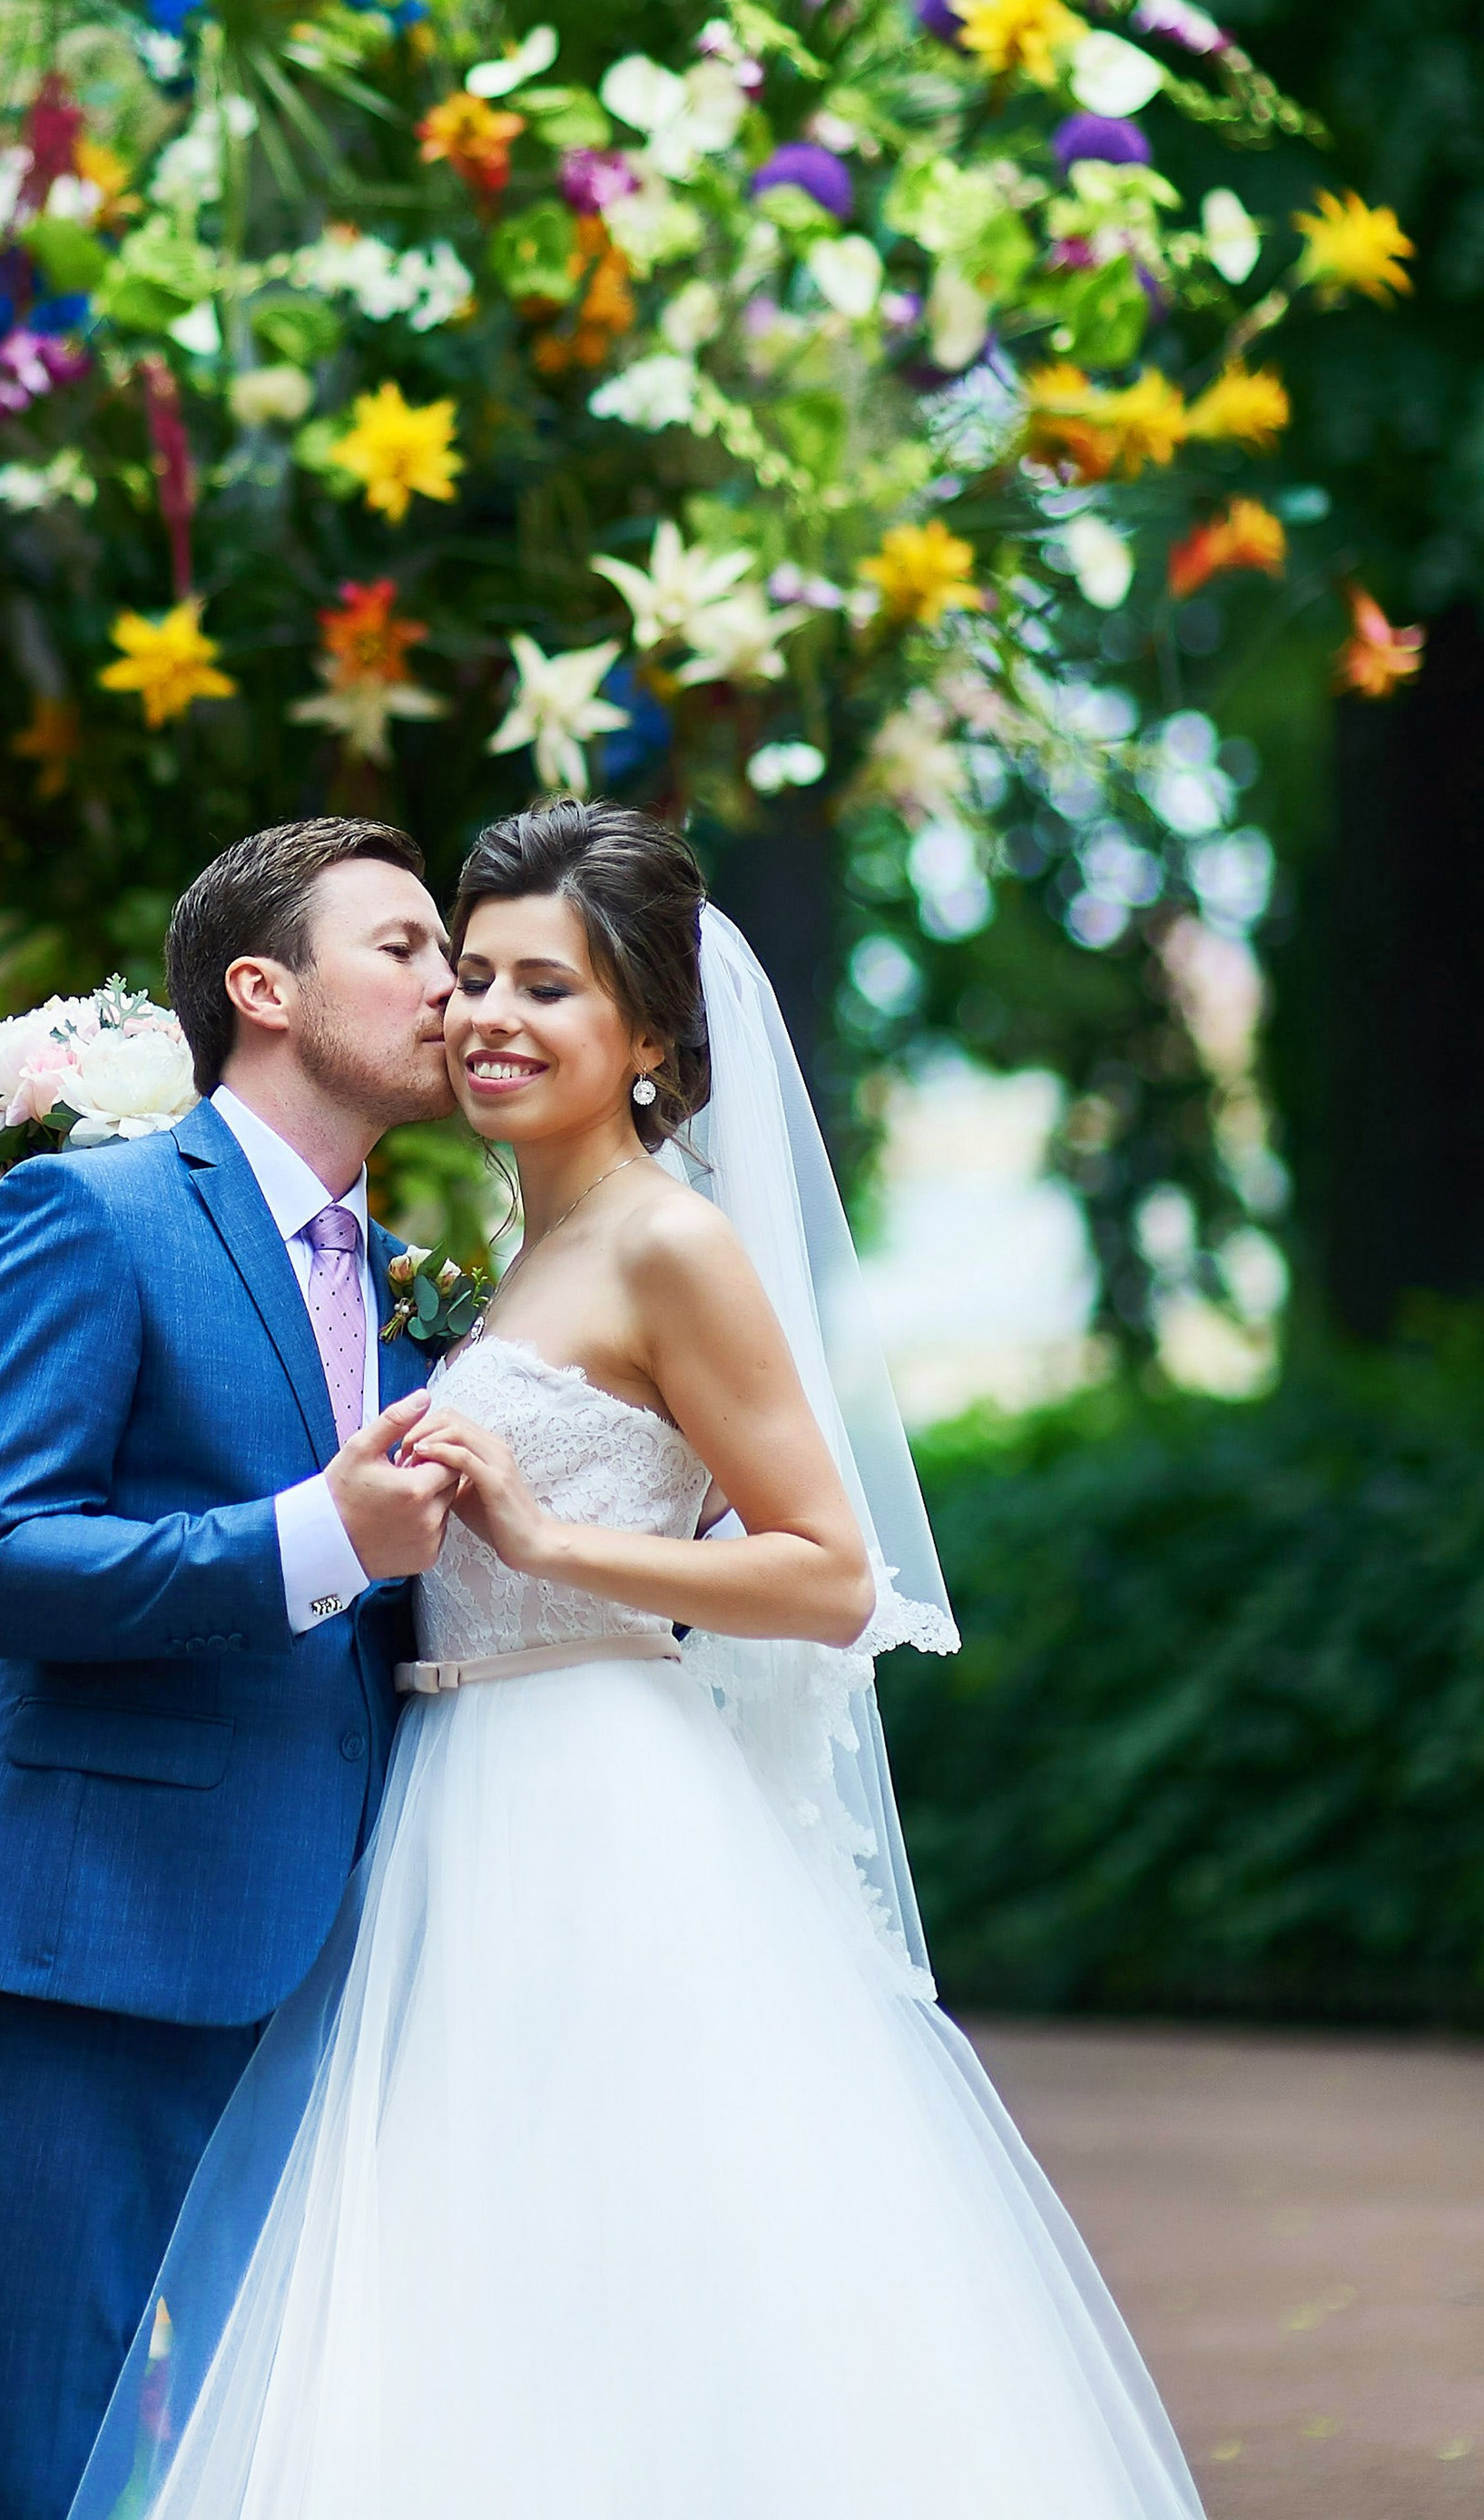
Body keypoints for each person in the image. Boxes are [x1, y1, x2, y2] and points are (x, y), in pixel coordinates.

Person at [69, 800, 1206, 2520]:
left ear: (653, 1039)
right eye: (472, 976)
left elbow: (828, 1571)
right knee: (479, 2293)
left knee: (631, 2267)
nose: (489, 1017)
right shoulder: (514, 1255)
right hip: (451, 1795)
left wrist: (552, 1543)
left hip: (600, 1805)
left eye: (551, 988)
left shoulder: (670, 1240)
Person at [0, 817, 462, 2520]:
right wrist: (310, 1539)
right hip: (99, 1960)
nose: (451, 988)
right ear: (263, 990)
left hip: (354, 1975)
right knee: (35, 2463)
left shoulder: (423, 1294)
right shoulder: (92, 1214)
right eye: (404, 948)